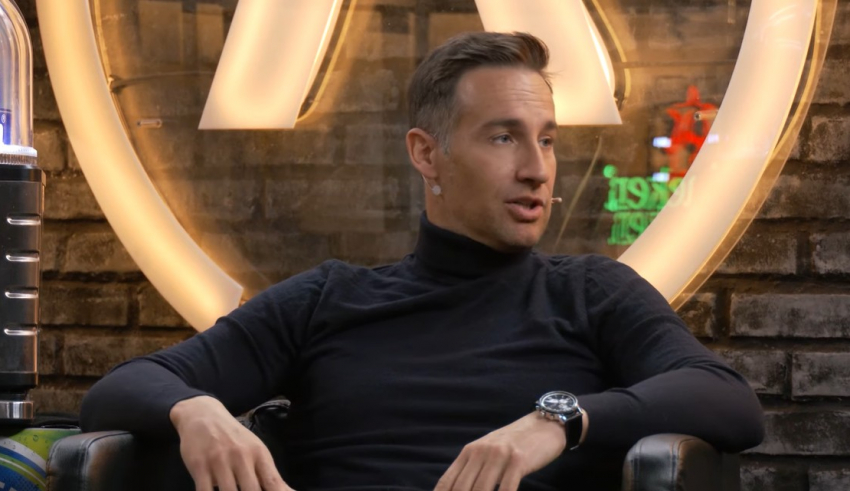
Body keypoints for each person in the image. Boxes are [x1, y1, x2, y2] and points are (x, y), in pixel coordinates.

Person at [80, 32, 764, 491]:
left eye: (548, 140)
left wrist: (558, 420)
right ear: (426, 154)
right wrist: (196, 409)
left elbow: (729, 402)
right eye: (504, 138)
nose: (536, 169)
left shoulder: (591, 293)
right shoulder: (329, 299)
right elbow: (117, 391)